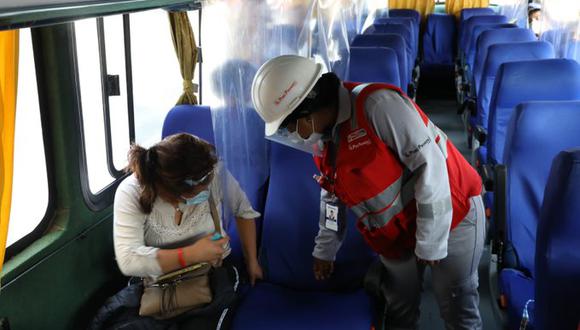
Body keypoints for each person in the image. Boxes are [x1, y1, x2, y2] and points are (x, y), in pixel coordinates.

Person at [251, 55, 485, 329]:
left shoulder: (378, 106)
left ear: (308, 110)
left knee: (456, 307)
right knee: (399, 309)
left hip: (452, 214)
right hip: (395, 236)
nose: (290, 134)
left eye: (289, 126)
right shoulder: (323, 140)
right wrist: (325, 248)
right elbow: (331, 193)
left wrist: (430, 240)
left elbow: (430, 167)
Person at [108, 133, 263, 328]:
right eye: (198, 193)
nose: (206, 193)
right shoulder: (131, 192)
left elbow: (243, 212)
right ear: (167, 191)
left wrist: (252, 262)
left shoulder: (213, 173)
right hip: (155, 282)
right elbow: (128, 260)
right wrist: (190, 254)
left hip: (212, 273)